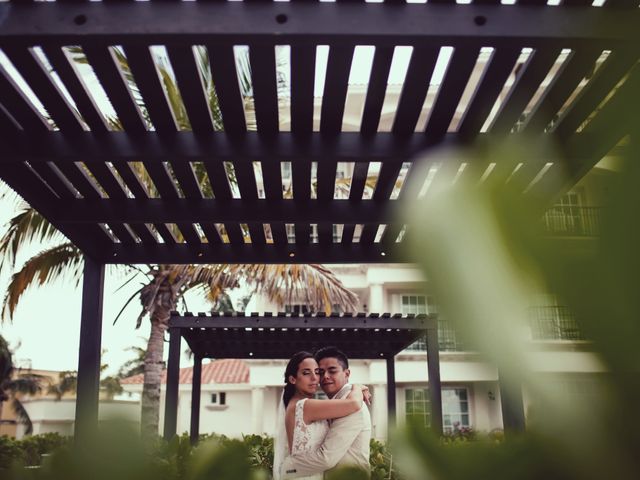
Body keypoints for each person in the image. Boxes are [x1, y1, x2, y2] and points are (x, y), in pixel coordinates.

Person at [272, 351, 369, 480]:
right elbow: (353, 403)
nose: (316, 378)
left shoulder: (303, 405)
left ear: (347, 373)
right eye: (306, 373)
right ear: (292, 379)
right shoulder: (305, 406)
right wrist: (357, 387)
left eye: (317, 372)